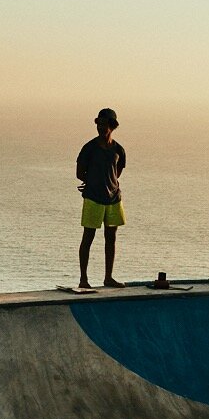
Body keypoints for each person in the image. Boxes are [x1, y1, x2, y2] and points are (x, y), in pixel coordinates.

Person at [76, 107, 126, 288]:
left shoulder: (119, 149)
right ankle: (83, 279)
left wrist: (107, 182)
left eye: (104, 125)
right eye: (99, 124)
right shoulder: (89, 148)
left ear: (112, 126)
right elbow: (79, 173)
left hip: (113, 199)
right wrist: (94, 181)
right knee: (88, 237)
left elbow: (117, 172)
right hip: (93, 198)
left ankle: (108, 277)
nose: (100, 128)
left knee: (111, 238)